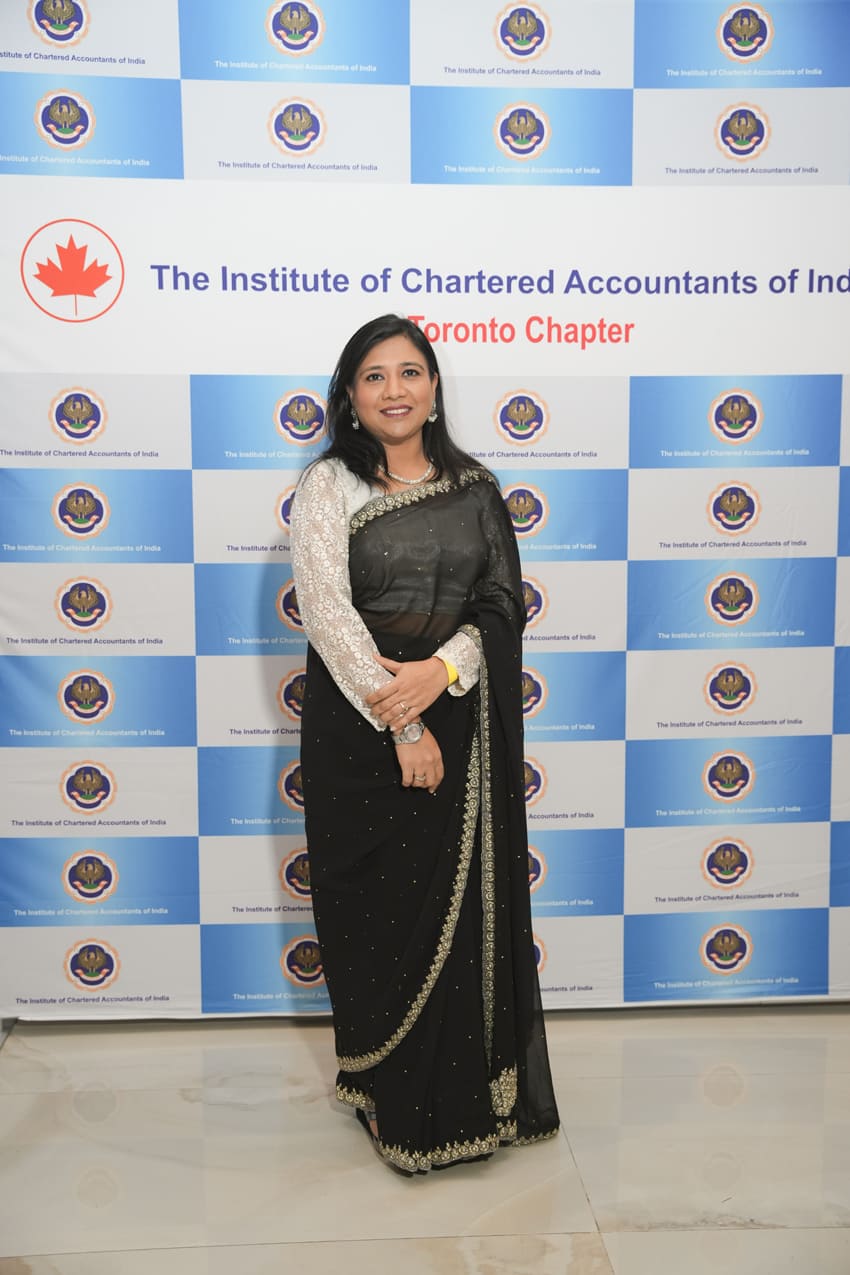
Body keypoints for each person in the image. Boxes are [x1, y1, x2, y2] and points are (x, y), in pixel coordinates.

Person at [289, 314, 560, 1174]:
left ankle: (466, 1099)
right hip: (360, 729)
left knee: (460, 917)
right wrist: (401, 720)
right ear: (350, 395)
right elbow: (328, 614)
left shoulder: (475, 487)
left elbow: (500, 604)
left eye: (410, 372)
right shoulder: (328, 484)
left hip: (457, 716)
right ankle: (387, 1092)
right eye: (374, 376)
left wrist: (438, 675)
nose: (394, 390)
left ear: (435, 387)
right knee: (376, 917)